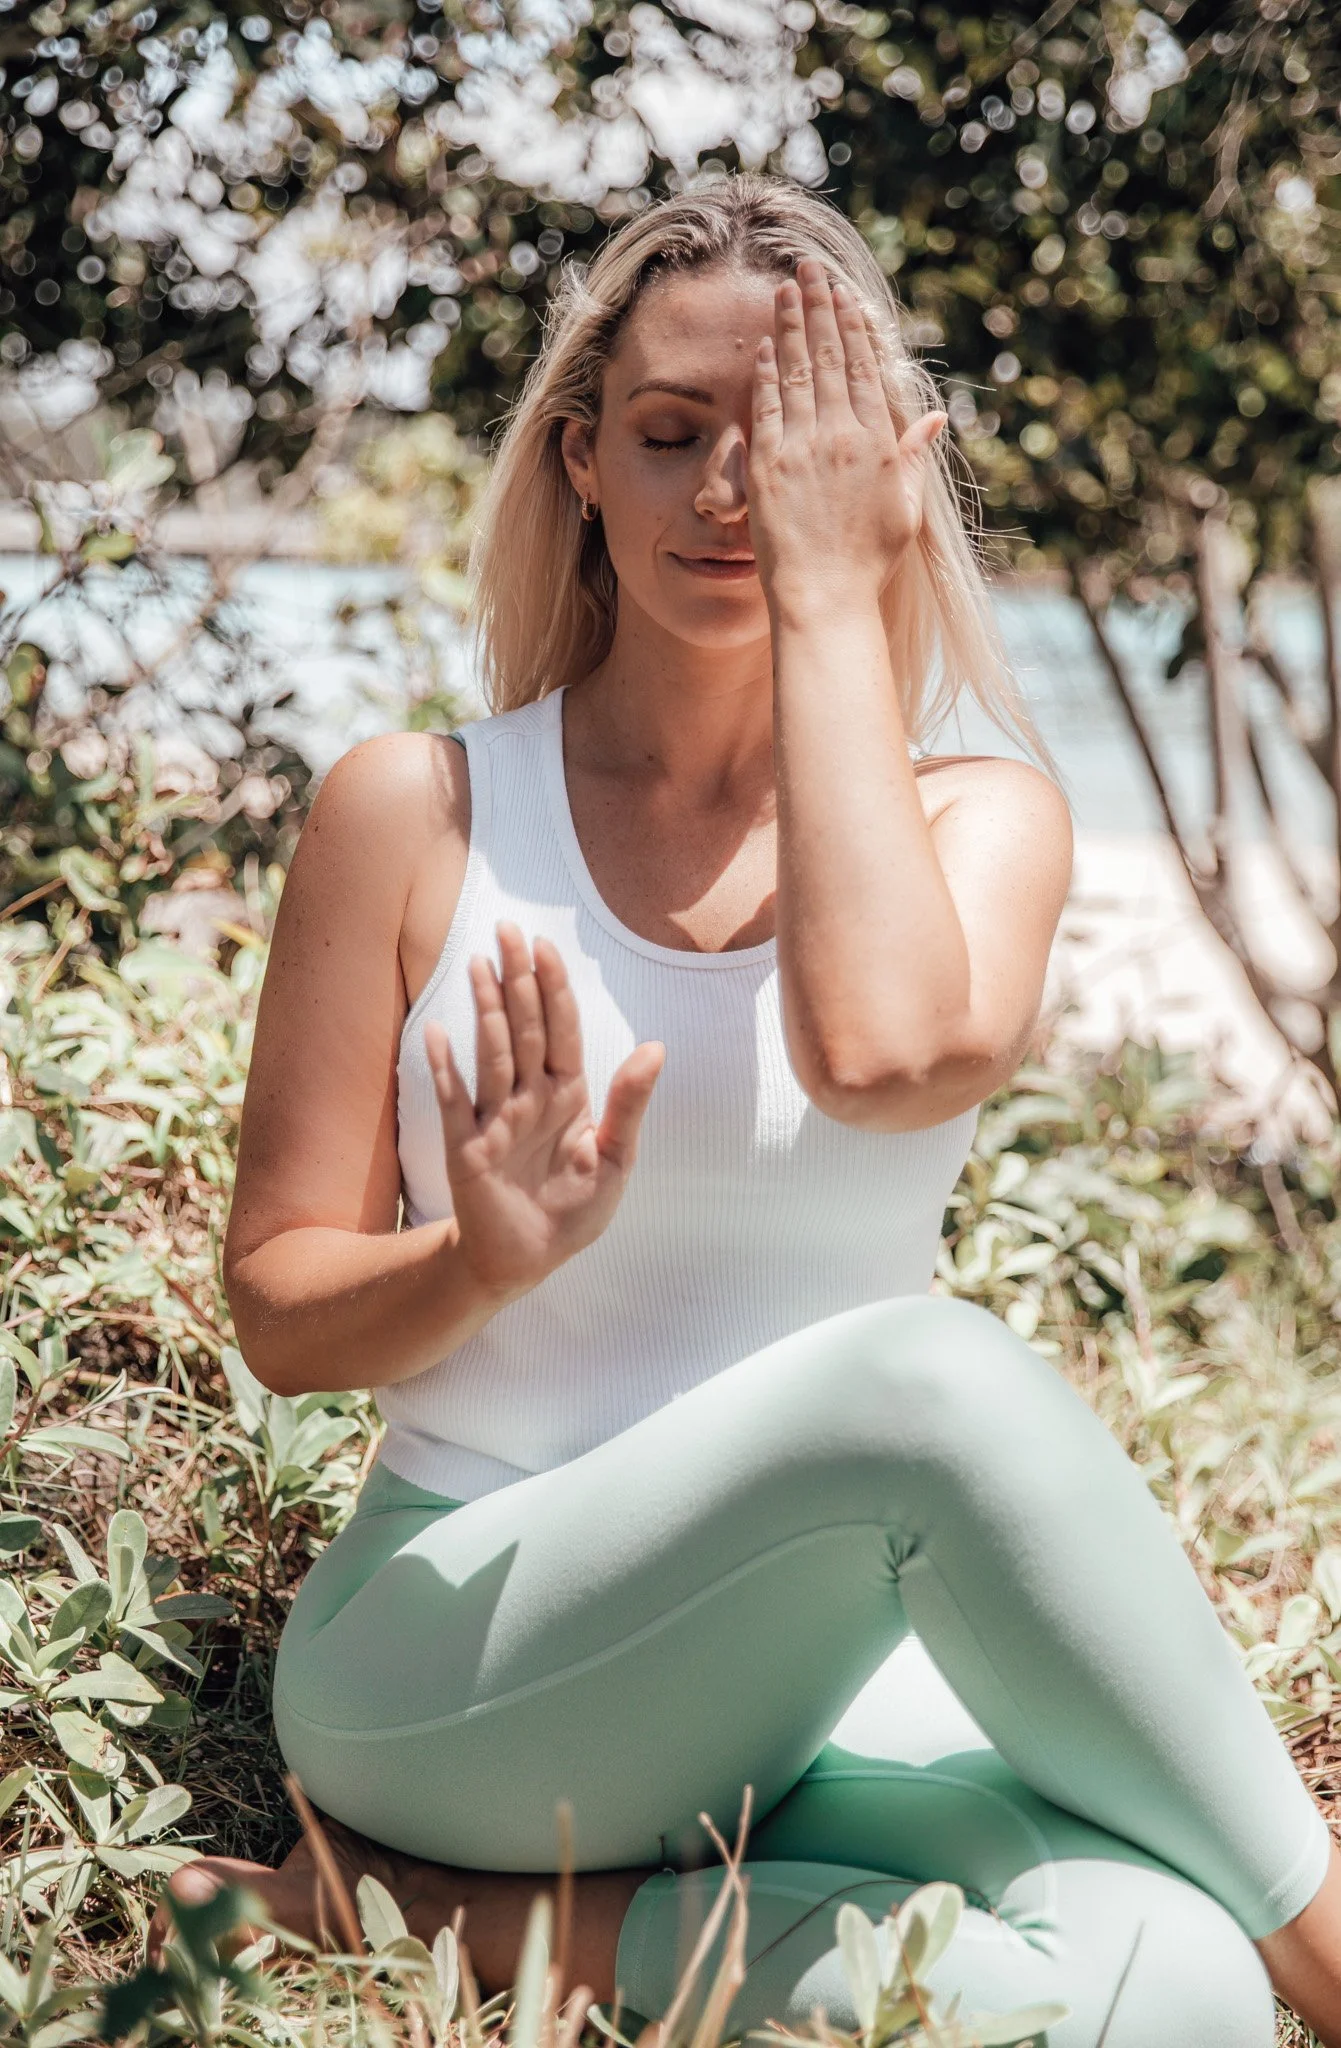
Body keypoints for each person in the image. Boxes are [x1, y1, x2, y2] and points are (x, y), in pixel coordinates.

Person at [151, 173, 1341, 2046]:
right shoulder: (417, 814)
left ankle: (440, 1922)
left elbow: (879, 1052)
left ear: (884, 471)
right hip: (464, 1657)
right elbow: (281, 1313)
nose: (730, 489)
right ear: (579, 462)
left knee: (1173, 1989)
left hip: (815, 1688)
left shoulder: (985, 821)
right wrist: (479, 1260)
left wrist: (833, 598)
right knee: (933, 1381)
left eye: (786, 444)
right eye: (672, 431)